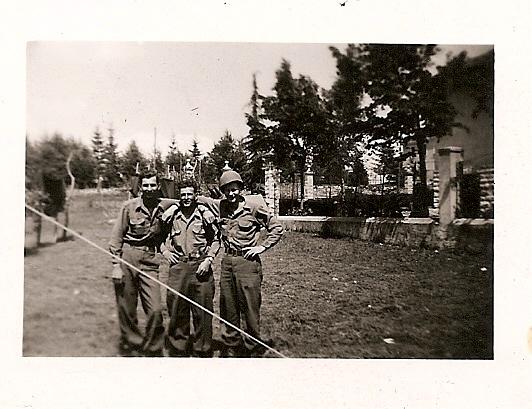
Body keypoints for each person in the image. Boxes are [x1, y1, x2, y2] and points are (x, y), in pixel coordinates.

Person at [216, 170, 283, 357]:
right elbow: (195, 200)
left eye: (235, 189)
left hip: (248, 262)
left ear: (241, 189)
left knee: (249, 306)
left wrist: (261, 247)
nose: (231, 194)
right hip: (227, 262)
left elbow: (276, 227)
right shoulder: (221, 207)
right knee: (228, 305)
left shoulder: (253, 208)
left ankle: (252, 347)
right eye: (227, 190)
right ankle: (231, 345)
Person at [160, 178, 220, 357]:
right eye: (183, 194)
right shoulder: (171, 214)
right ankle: (179, 349)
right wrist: (165, 252)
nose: (186, 198)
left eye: (190, 194)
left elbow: (216, 239)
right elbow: (158, 237)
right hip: (178, 267)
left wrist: (209, 259)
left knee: (203, 310)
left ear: (196, 196)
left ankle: (203, 350)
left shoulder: (205, 214)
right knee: (177, 309)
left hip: (200, 266)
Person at [108, 172, 166, 357]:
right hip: (128, 257)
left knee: (156, 309)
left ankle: (153, 348)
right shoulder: (129, 207)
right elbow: (116, 238)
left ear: (158, 187)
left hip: (150, 259)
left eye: (153, 185)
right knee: (127, 307)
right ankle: (132, 344)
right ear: (141, 187)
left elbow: (192, 200)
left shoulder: (163, 207)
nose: (149, 189)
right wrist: (116, 265)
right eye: (146, 185)